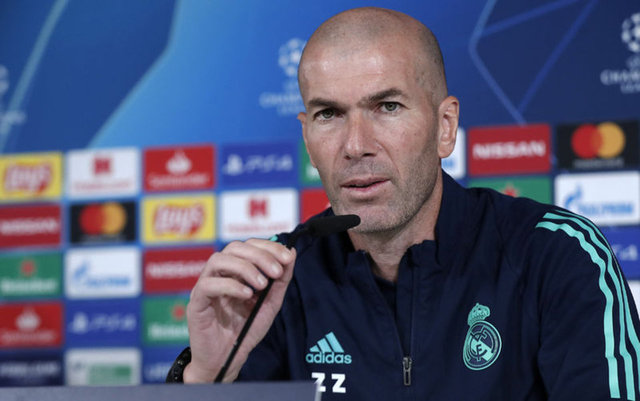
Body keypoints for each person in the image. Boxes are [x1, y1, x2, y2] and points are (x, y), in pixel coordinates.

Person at [167, 7, 640, 400]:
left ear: (445, 127)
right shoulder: (269, 282)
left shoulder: (556, 255)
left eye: (387, 107)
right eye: (329, 114)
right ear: (307, 140)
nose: (356, 145)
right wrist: (207, 378)